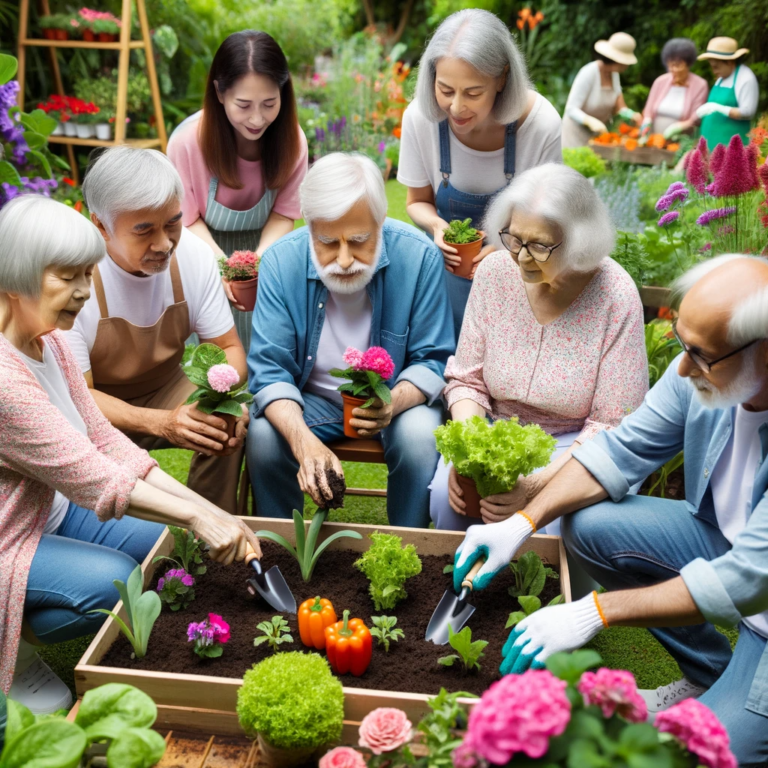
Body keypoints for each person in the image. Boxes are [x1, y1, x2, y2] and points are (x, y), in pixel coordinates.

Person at [452, 254, 768, 764]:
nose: (682, 369)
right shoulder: (702, 374)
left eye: (703, 355)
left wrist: (594, 612)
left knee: (709, 751)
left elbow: (746, 581)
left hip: (760, 583)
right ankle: (710, 673)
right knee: (593, 524)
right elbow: (619, 451)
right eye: (680, 344)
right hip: (729, 543)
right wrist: (522, 522)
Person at [0, 196, 261, 715]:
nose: (82, 291)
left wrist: (207, 513)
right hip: (11, 539)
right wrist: (199, 516)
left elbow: (106, 442)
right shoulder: (5, 380)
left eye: (85, 275)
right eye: (66, 277)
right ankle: (18, 638)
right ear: (17, 276)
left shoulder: (48, 343)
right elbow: (95, 478)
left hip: (55, 513)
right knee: (120, 580)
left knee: (173, 550)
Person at [430, 164, 648, 533]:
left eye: (540, 245)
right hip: (496, 430)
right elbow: (467, 380)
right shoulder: (494, 272)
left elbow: (612, 424)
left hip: (577, 445)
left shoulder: (616, 295)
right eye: (514, 238)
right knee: (446, 499)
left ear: (580, 240)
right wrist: (470, 451)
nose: (521, 257)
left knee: (551, 525)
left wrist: (535, 485)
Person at [247, 153, 454, 528]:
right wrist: (303, 441)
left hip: (395, 401)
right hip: (310, 403)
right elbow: (269, 370)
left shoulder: (418, 256)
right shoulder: (280, 262)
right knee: (264, 435)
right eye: (327, 241)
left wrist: (392, 402)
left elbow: (434, 358)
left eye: (359, 241)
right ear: (309, 227)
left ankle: (407, 551)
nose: (344, 259)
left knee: (421, 436)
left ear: (381, 223)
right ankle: (279, 553)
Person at [65, 147, 247, 514]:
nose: (164, 244)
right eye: (144, 230)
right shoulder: (74, 276)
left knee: (224, 421)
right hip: (95, 405)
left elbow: (228, 348)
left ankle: (215, 532)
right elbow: (78, 396)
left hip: (167, 387)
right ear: (99, 224)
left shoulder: (193, 256)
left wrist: (211, 403)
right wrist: (162, 423)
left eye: (172, 223)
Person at [397, 8, 562, 339]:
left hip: (518, 275)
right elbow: (417, 201)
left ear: (502, 78)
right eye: (445, 90)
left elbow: (550, 223)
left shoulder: (541, 125)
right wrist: (437, 227)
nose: (457, 107)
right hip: (444, 276)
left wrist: (509, 249)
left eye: (473, 93)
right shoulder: (420, 118)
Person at [167, 30, 308, 348]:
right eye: (243, 105)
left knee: (266, 357)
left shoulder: (293, 141)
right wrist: (223, 267)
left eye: (269, 103)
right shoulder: (187, 142)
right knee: (214, 365)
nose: (258, 118)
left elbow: (284, 214)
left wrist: (255, 263)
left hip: (266, 256)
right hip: (200, 256)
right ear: (219, 92)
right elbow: (184, 220)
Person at [562, 32, 642, 148]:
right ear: (617, 60)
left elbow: (619, 107)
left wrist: (631, 115)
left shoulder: (614, 75)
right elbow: (571, 109)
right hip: (575, 134)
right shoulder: (588, 72)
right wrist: (590, 121)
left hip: (597, 137)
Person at [696, 37, 758, 149]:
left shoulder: (745, 77)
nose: (714, 71)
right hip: (710, 147)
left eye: (716, 67)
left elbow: (748, 111)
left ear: (729, 62)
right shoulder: (722, 78)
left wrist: (718, 108)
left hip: (730, 151)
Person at [641, 38, 709, 139]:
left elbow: (696, 117)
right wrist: (646, 122)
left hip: (681, 140)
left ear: (688, 64)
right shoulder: (660, 81)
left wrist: (678, 127)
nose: (674, 70)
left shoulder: (700, 85)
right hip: (654, 139)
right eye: (671, 65)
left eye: (678, 65)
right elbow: (648, 110)